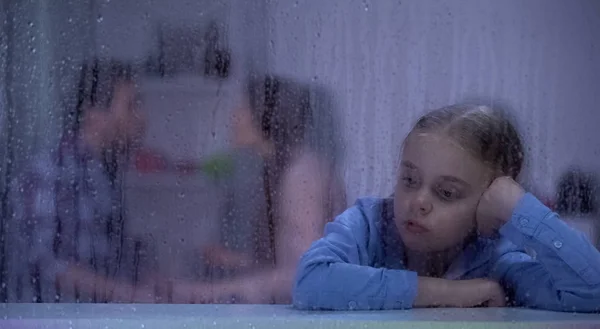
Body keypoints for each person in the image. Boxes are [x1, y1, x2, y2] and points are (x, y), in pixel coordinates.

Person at [292, 103, 600, 312]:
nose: (419, 202)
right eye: (409, 179)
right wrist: (452, 293)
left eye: (447, 193)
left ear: (485, 201)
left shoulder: (495, 258)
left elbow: (591, 292)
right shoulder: (369, 223)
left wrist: (518, 207)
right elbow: (310, 282)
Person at [165, 75, 346, 304]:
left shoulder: (300, 176)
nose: (234, 116)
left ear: (266, 116)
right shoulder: (284, 168)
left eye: (243, 107)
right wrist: (237, 260)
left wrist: (207, 292)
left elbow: (308, 274)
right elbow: (291, 260)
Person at [3, 58, 152, 303]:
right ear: (94, 113)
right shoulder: (51, 172)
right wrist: (133, 296)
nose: (142, 116)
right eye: (132, 105)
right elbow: (46, 264)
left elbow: (110, 267)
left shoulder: (104, 173)